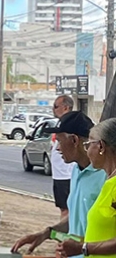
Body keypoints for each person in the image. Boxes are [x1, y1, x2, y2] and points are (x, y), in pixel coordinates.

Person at [14, 112, 102, 258]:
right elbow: (77, 216)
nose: (57, 148)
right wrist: (47, 232)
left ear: (75, 140)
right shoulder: (77, 171)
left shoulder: (105, 176)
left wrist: (83, 247)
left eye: (59, 141)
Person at [58, 118, 116, 258]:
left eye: (89, 144)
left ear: (101, 146)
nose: (86, 149)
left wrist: (83, 247)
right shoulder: (108, 183)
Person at [51, 95, 77, 224]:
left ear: (66, 107)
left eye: (56, 106)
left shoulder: (70, 123)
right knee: (64, 208)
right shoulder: (62, 123)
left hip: (66, 174)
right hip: (60, 174)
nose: (53, 109)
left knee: (67, 210)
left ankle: (66, 237)